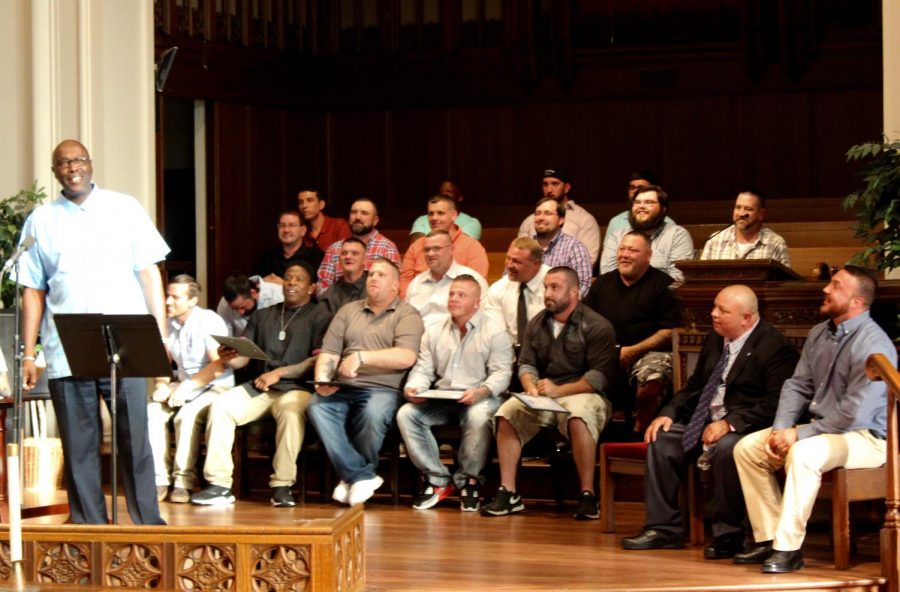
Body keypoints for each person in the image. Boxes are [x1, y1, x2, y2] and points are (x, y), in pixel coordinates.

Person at [16, 139, 169, 524]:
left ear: (91, 163)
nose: (73, 168)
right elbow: (33, 291)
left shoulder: (125, 207)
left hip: (126, 340)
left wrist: (161, 336)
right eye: (64, 163)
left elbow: (149, 273)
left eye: (79, 160)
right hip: (68, 345)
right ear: (55, 172)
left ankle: (147, 523)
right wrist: (29, 353)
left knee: (134, 439)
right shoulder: (40, 220)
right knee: (79, 444)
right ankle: (88, 526)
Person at [732, 266, 896, 573]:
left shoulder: (873, 343)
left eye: (836, 286)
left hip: (866, 437)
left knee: (803, 452)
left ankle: (788, 548)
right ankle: (769, 537)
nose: (825, 289)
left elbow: (855, 410)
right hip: (825, 431)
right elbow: (798, 384)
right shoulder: (821, 332)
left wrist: (801, 434)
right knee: (748, 448)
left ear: (857, 301)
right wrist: (781, 428)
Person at [621, 285, 799, 559]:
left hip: (745, 426)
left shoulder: (775, 347)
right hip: (703, 418)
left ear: (747, 318)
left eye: (723, 311)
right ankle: (663, 529)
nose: (713, 314)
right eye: (715, 306)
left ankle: (730, 535)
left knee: (728, 448)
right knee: (662, 438)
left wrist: (730, 423)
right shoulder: (716, 339)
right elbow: (696, 386)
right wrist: (668, 412)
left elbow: (775, 403)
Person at [190, 262, 331, 507]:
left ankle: (282, 485)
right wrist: (230, 356)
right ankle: (219, 484)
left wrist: (280, 373)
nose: (292, 283)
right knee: (221, 405)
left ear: (311, 288)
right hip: (260, 387)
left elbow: (319, 359)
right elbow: (245, 357)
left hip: (298, 388)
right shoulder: (264, 314)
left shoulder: (320, 316)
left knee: (289, 410)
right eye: (288, 278)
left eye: (299, 279)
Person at [481, 267, 617, 520]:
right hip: (543, 392)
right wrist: (530, 384)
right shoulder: (537, 323)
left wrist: (560, 390)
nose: (547, 293)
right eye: (545, 287)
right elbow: (526, 363)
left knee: (579, 415)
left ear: (575, 291)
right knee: (507, 412)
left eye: (555, 287)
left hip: (582, 391)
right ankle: (509, 492)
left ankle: (588, 494)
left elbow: (599, 377)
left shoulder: (597, 325)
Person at [309, 258, 425, 505]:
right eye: (371, 274)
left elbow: (407, 356)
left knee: (372, 413)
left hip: (382, 387)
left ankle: (351, 477)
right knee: (318, 406)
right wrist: (322, 380)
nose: (373, 278)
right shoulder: (348, 310)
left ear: (396, 286)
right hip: (344, 385)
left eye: (381, 275)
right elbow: (329, 352)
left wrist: (361, 357)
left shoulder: (407, 314)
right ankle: (360, 475)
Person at [398, 275, 513, 511]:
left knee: (479, 416)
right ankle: (437, 479)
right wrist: (413, 388)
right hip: (444, 397)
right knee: (407, 413)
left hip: (480, 396)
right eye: (452, 294)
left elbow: (502, 373)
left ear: (476, 302)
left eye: (462, 295)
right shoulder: (433, 329)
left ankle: (469, 481)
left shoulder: (494, 330)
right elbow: (423, 368)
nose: (454, 299)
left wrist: (482, 391)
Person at [148, 275, 234, 503]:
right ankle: (159, 479)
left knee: (185, 417)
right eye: (167, 295)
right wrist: (161, 384)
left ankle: (183, 481)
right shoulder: (168, 324)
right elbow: (162, 363)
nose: (168, 301)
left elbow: (218, 365)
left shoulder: (209, 320)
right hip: (184, 384)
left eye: (175, 297)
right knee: (152, 413)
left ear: (193, 300)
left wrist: (186, 387)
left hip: (214, 385)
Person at [585, 231, 682, 433]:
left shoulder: (664, 284)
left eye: (633, 250)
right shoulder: (602, 283)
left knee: (653, 379)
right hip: (606, 352)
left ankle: (638, 436)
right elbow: (584, 323)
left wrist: (632, 351)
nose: (625, 254)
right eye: (622, 249)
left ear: (648, 255)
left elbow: (670, 331)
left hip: (649, 353)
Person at [600, 185, 694, 283]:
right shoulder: (617, 237)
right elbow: (607, 275)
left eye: (649, 202)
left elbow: (678, 277)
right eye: (637, 202)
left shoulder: (677, 235)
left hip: (660, 296)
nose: (641, 206)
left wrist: (641, 291)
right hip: (620, 296)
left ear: (663, 209)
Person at [399, 195, 489, 296]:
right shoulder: (416, 246)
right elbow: (404, 282)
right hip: (419, 306)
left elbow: (476, 285)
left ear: (454, 215)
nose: (434, 218)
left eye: (440, 213)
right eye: (431, 214)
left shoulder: (472, 247)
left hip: (457, 306)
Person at [518, 168, 601, 265]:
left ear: (566, 187)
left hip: (567, 277)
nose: (549, 190)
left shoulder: (584, 219)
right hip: (532, 276)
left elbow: (589, 260)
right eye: (545, 184)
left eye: (555, 184)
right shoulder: (529, 221)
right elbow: (519, 256)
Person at [317, 198, 400, 293]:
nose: (357, 217)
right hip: (338, 304)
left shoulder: (387, 248)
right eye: (354, 212)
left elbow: (393, 286)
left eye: (364, 213)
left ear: (375, 220)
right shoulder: (335, 249)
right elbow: (321, 288)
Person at [405, 230, 488, 324]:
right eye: (426, 250)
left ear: (451, 249)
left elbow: (481, 321)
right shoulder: (416, 283)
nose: (430, 254)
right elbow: (406, 321)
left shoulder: (474, 280)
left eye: (436, 248)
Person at [482, 238, 549, 353]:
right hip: (512, 355)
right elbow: (496, 334)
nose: (509, 265)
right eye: (508, 258)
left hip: (550, 354)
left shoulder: (555, 285)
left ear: (536, 264)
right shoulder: (498, 289)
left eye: (516, 261)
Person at [700, 190, 791, 267]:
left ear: (761, 214)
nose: (741, 213)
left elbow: (786, 283)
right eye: (738, 207)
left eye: (748, 209)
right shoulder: (715, 240)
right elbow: (700, 279)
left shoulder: (775, 243)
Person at [529, 197, 592, 296]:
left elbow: (583, 286)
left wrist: (559, 306)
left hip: (561, 309)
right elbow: (507, 283)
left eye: (547, 213)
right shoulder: (524, 248)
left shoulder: (574, 247)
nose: (541, 218)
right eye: (538, 213)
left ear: (561, 220)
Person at [255, 210, 324, 284]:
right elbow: (254, 285)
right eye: (282, 225)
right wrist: (262, 282)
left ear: (303, 230)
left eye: (291, 225)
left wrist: (284, 284)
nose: (286, 230)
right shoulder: (268, 257)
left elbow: (317, 289)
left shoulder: (316, 256)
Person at [605, 171, 674, 237]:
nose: (636, 191)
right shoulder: (616, 221)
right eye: (632, 188)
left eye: (641, 188)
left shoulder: (669, 224)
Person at [409, 180, 482, 242]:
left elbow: (462, 246)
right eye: (441, 191)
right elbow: (416, 245)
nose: (443, 194)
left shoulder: (471, 222)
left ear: (460, 197)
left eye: (449, 191)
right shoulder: (422, 220)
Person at [216, 273, 283, 336]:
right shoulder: (225, 303)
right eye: (235, 309)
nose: (240, 313)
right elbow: (225, 336)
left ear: (253, 293)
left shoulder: (279, 296)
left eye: (243, 307)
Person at [320, 237, 368, 315]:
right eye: (344, 253)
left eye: (354, 253)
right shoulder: (330, 295)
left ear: (365, 260)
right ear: (339, 260)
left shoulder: (376, 286)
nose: (348, 257)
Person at [297, 187, 351, 252]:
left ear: (321, 204)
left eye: (309, 200)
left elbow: (346, 253)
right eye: (300, 202)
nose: (304, 206)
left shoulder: (339, 225)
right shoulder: (301, 231)